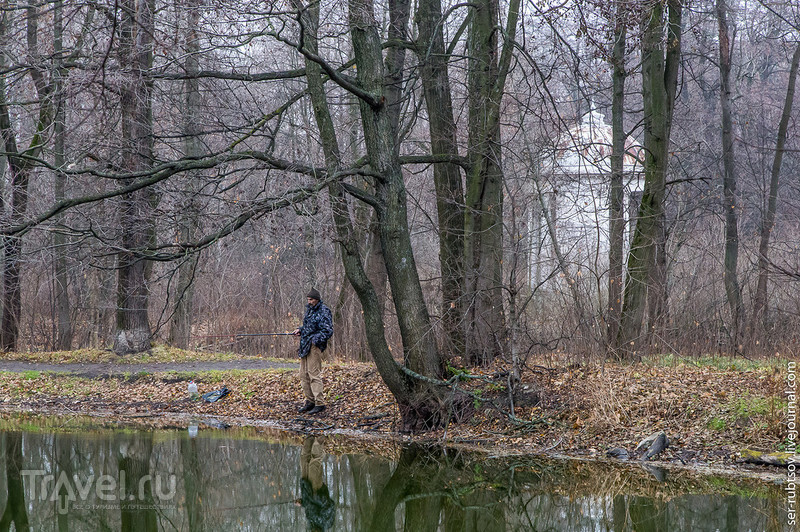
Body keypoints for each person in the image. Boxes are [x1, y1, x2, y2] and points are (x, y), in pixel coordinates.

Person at [292, 288, 333, 414]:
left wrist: (315, 340)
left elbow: (327, 330)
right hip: (305, 346)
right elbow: (309, 327)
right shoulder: (310, 310)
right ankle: (310, 402)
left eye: (311, 299)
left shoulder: (324, 311)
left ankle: (319, 403)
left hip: (315, 347)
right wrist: (300, 330)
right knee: (303, 375)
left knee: (314, 375)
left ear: (317, 299)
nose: (309, 302)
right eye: (308, 299)